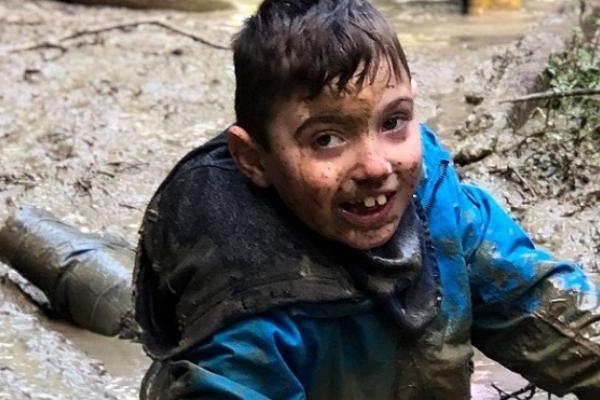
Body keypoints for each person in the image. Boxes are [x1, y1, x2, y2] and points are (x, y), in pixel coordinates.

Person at [133, 0, 600, 399]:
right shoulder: (243, 309)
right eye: (326, 139)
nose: (376, 166)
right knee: (101, 293)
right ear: (253, 159)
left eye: (393, 121)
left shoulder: (435, 197)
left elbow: (538, 305)